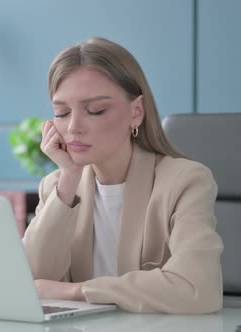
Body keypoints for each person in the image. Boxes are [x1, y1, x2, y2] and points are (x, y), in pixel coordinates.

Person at [22, 37, 223, 314]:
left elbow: (196, 289)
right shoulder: (57, 187)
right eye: (62, 112)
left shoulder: (185, 181)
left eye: (95, 110)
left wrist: (78, 291)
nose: (73, 127)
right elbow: (27, 284)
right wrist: (68, 178)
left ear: (136, 112)